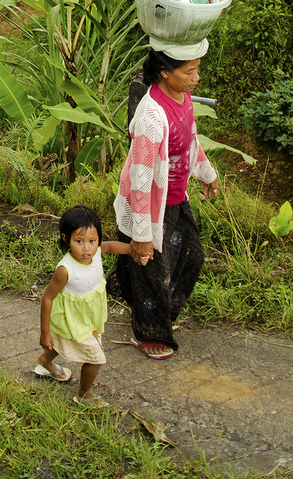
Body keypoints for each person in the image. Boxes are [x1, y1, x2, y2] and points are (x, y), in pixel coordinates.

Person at [108, 40, 219, 360]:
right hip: (149, 207)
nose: (196, 78)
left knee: (192, 257)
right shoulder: (150, 117)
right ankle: (147, 333)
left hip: (175, 199)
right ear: (164, 72)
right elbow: (141, 180)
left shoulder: (182, 98)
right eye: (190, 72)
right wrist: (142, 236)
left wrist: (206, 173)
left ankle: (131, 290)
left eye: (197, 70)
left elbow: (190, 141)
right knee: (152, 268)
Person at [35, 205, 134, 406]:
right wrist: (44, 332)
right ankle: (83, 393)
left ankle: (45, 361)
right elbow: (47, 298)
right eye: (79, 241)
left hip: (87, 318)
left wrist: (133, 249)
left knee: (63, 341)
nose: (87, 248)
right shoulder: (65, 270)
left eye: (92, 241)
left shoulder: (96, 253)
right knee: (96, 358)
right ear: (66, 239)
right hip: (70, 319)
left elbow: (112, 247)